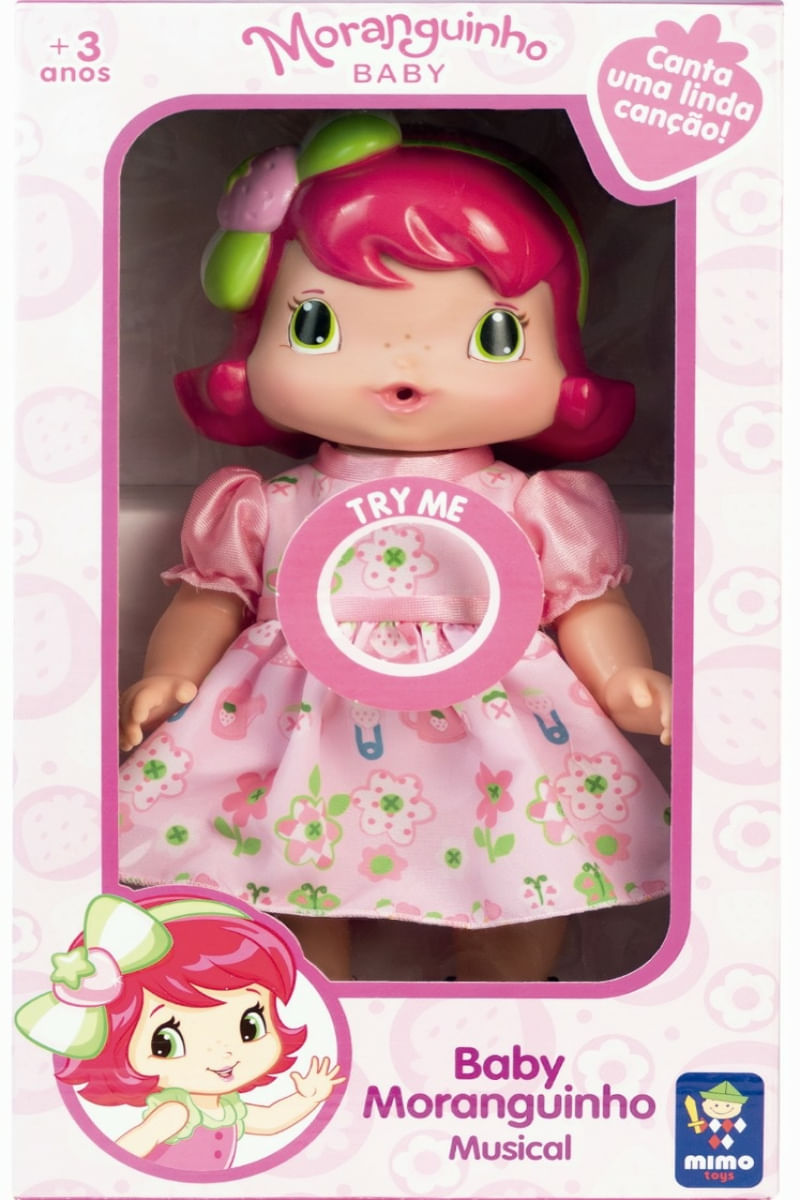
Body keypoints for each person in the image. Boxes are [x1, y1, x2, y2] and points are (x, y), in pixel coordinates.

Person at [118, 112, 671, 982]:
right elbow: (209, 599)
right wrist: (171, 673)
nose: (405, 366)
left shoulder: (535, 504)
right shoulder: (265, 503)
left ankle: (504, 997)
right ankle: (307, 1000)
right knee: (282, 875)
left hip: (495, 721)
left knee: (525, 866)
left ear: (562, 364)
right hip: (297, 722)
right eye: (317, 327)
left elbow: (586, 606)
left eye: (493, 337)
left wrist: (624, 677)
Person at [15, 894, 344, 1169]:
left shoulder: (227, 1107)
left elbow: (270, 1120)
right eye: (167, 1043)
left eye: (250, 1025)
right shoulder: (176, 1112)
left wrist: (308, 1097)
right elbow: (129, 1148)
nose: (223, 1052)